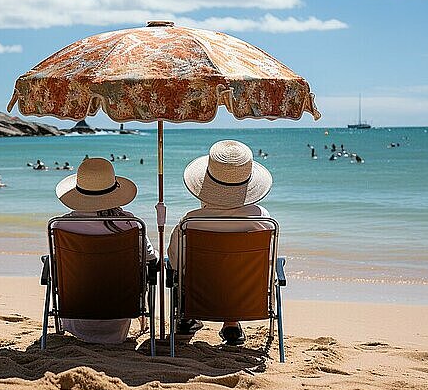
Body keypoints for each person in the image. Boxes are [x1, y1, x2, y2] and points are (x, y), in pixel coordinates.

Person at [168, 140, 273, 346]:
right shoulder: (262, 219)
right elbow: (267, 262)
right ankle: (231, 323)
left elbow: (175, 260)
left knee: (179, 270)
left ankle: (187, 317)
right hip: (244, 297)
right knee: (240, 273)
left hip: (200, 298)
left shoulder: (191, 222)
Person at [53, 157, 157, 344]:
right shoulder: (130, 224)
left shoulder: (61, 225)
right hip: (119, 312)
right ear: (114, 191)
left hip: (76, 311)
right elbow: (151, 259)